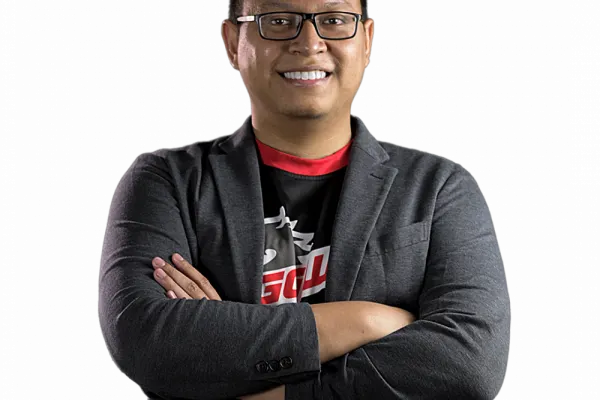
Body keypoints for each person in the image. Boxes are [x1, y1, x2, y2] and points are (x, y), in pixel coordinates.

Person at [97, 0, 512, 399]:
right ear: (232, 42)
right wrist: (367, 321)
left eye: (334, 19)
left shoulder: (441, 187)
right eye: (277, 20)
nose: (309, 43)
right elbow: (144, 337)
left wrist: (262, 384)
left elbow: (470, 363)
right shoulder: (166, 180)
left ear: (367, 40)